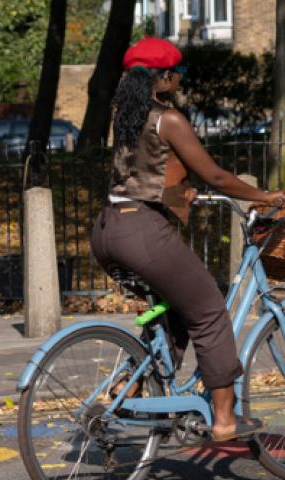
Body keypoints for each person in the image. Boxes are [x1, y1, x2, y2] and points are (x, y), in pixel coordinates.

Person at [90, 36, 285, 442]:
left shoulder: (125, 114)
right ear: (163, 77)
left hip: (108, 230)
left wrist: (180, 194)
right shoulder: (169, 118)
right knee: (211, 311)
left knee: (175, 310)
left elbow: (142, 175)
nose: (178, 80)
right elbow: (213, 174)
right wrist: (265, 196)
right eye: (177, 73)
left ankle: (132, 386)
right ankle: (225, 420)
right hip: (141, 233)